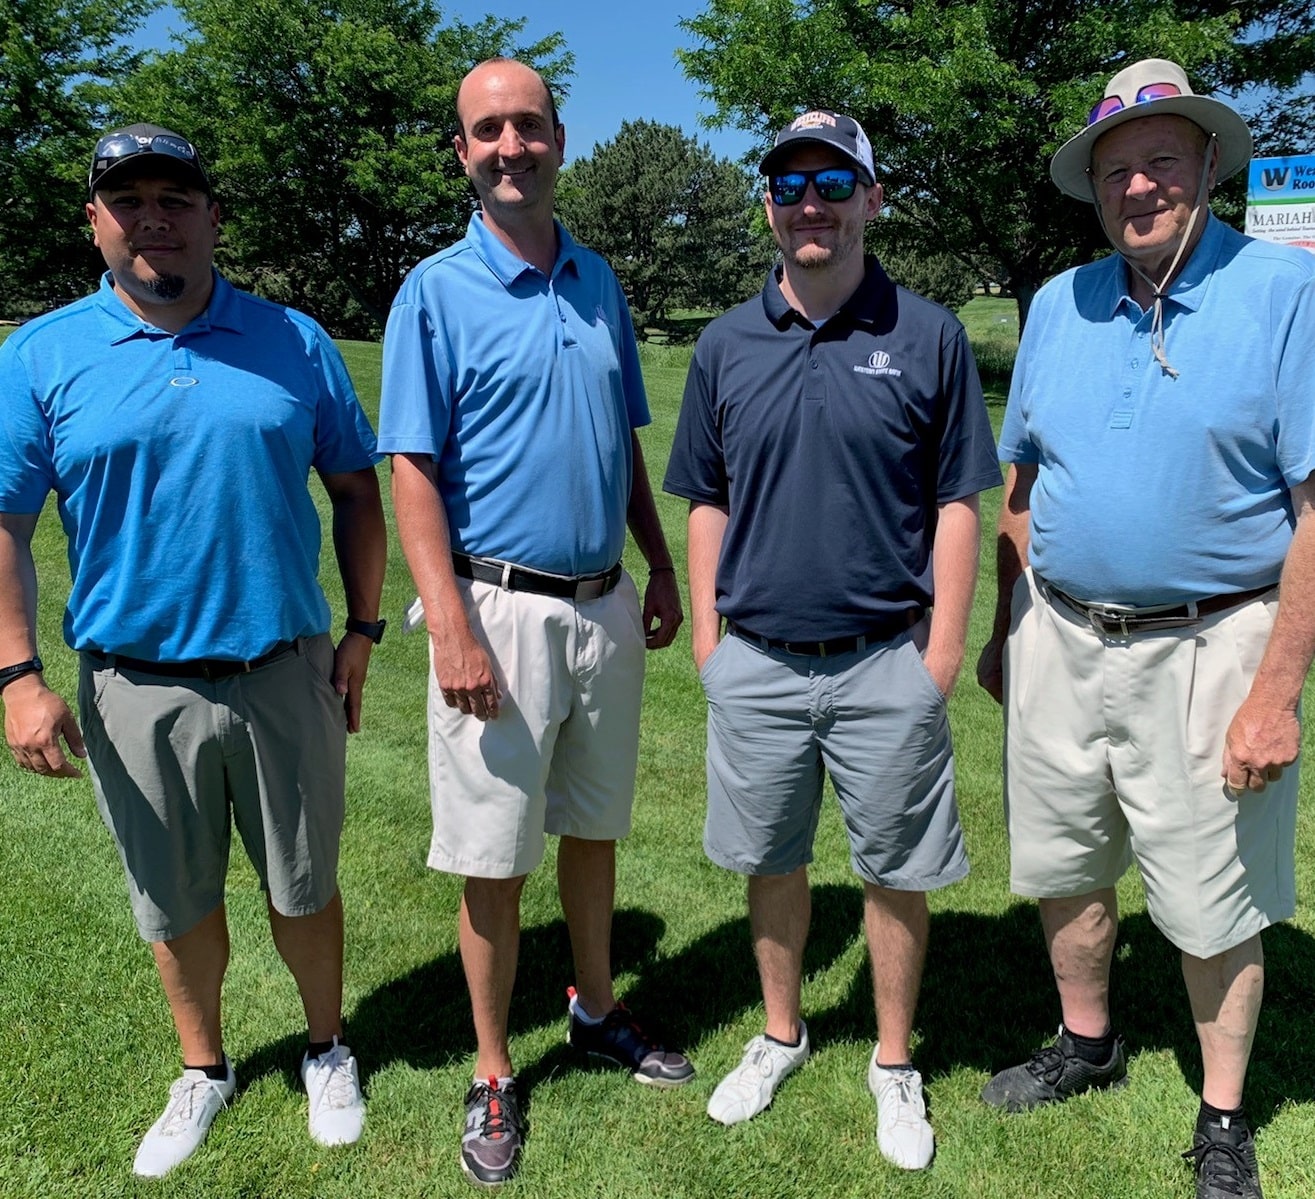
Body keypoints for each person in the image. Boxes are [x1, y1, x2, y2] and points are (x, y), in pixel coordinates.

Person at [0, 124, 386, 1177]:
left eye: (177, 196)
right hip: (134, 681)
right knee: (174, 897)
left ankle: (325, 1046)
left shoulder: (293, 339)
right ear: (96, 220)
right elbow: (4, 519)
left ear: (213, 215)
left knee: (303, 881)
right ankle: (203, 1067)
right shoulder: (39, 354)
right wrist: (18, 674)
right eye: (129, 199)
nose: (154, 217)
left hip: (283, 667)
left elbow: (357, 487)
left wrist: (361, 628)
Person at [976, 58, 1315, 1199]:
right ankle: (1086, 1039)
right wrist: (1002, 625)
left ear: (1208, 165)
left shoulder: (1282, 291)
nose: (1136, 187)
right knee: (1065, 862)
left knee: (1209, 888)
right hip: (1060, 635)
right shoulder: (1055, 304)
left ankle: (1222, 1115)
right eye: (1115, 169)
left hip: (1210, 641)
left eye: (1160, 161)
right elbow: (1019, 485)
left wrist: (1275, 689)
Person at [663, 109, 1001, 1170]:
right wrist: (710, 639)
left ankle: (893, 1060)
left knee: (895, 866)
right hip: (755, 660)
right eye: (789, 185)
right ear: (768, 203)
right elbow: (703, 500)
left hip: (885, 659)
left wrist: (940, 651)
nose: (810, 203)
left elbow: (958, 502)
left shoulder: (929, 333)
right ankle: (780, 1030)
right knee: (769, 858)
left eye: (831, 183)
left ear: (871, 197)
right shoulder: (725, 342)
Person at [377, 59, 691, 1188]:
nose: (511, 145)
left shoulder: (598, 280)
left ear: (560, 137)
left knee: (594, 826)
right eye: (486, 130)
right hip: (495, 609)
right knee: (494, 849)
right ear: (463, 152)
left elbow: (620, 446)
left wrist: (657, 560)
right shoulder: (433, 290)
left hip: (604, 600)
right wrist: (449, 623)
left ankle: (596, 1008)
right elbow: (409, 468)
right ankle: (495, 1066)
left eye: (529, 125)